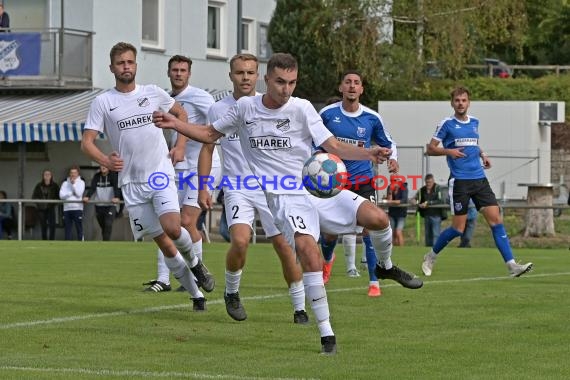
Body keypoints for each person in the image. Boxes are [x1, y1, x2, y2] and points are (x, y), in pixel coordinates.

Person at [153, 52, 423, 354]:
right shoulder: (245, 108)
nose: (286, 89)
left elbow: (331, 146)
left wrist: (370, 153)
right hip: (281, 196)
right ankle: (326, 334)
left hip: (314, 186)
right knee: (308, 252)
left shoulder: (302, 108)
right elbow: (208, 134)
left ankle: (385, 267)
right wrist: (175, 124)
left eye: (292, 82)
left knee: (378, 219)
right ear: (267, 80)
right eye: (280, 82)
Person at [80, 42, 214, 312]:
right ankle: (196, 294)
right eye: (121, 63)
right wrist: (105, 159)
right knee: (164, 243)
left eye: (130, 62)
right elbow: (87, 142)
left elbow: (181, 114)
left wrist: (179, 146)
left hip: (159, 173)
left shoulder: (152, 93)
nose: (126, 67)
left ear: (136, 66)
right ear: (112, 68)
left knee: (174, 228)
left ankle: (198, 265)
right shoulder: (103, 102)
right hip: (131, 183)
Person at [197, 53, 309, 324]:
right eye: (239, 73)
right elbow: (208, 147)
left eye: (250, 73)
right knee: (240, 240)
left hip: (272, 185)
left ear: (259, 76)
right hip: (238, 185)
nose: (245, 78)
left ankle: (299, 307)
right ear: (231, 76)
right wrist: (204, 187)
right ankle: (232, 292)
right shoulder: (217, 109)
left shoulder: (268, 105)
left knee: (285, 245)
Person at [421, 86, 533, 277]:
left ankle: (512, 265)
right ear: (452, 103)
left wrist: (483, 154)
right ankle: (431, 256)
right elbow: (430, 149)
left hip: (479, 179)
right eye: (457, 100)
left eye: (464, 100)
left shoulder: (474, 122)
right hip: (460, 182)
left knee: (497, 221)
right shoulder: (446, 124)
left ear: (469, 102)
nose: (460, 104)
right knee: (458, 229)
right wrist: (449, 151)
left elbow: (473, 143)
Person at [144, 54, 222, 294]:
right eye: (174, 70)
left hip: (204, 166)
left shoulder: (201, 97)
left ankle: (196, 275)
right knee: (167, 222)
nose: (178, 73)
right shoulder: (164, 100)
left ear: (189, 74)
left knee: (187, 221)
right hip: (176, 168)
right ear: (168, 73)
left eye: (183, 70)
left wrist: (184, 137)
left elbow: (215, 129)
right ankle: (163, 279)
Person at [318, 70, 399, 297]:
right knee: (330, 233)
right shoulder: (326, 114)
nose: (352, 86)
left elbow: (389, 143)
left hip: (363, 180)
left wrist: (393, 159)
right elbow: (313, 140)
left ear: (362, 89)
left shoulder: (372, 118)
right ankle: (327, 260)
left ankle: (374, 281)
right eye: (348, 82)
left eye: (356, 83)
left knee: (369, 229)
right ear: (341, 87)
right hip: (334, 181)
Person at [82, 165, 121, 241]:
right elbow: (92, 188)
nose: (103, 167)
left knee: (108, 224)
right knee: (103, 226)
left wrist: (117, 197)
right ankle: (105, 242)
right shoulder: (97, 176)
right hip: (99, 205)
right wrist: (87, 196)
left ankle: (106, 243)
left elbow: (117, 188)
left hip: (110, 205)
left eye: (105, 165)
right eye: (101, 165)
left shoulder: (113, 176)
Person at [416, 173, 445, 247]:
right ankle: (427, 249)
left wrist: (428, 203)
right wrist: (414, 201)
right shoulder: (422, 189)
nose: (428, 184)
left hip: (436, 215)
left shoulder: (438, 188)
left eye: (430, 182)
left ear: (433, 181)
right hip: (427, 215)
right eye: (427, 182)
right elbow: (416, 198)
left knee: (436, 234)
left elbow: (441, 200)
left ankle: (435, 250)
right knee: (427, 234)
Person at [31, 169, 60, 240]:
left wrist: (53, 203)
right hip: (41, 209)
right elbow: (34, 196)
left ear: (51, 176)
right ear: (43, 176)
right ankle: (44, 240)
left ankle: (52, 240)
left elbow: (58, 196)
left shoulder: (55, 185)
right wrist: (39, 204)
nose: (47, 176)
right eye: (45, 174)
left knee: (52, 225)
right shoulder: (39, 185)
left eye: (48, 174)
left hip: (51, 208)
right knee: (43, 226)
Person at [59, 165, 86, 241]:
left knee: (79, 227)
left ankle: (81, 244)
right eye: (71, 172)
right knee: (67, 229)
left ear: (78, 174)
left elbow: (78, 194)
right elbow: (61, 196)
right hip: (67, 209)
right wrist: (70, 193)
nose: (73, 174)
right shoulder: (65, 183)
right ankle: (67, 246)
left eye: (75, 173)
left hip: (77, 209)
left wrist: (73, 184)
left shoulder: (81, 182)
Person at [387, 178, 409, 246]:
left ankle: (402, 249)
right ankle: (394, 249)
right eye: (392, 181)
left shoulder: (404, 188)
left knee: (398, 232)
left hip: (401, 214)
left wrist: (392, 202)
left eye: (395, 181)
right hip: (392, 213)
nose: (393, 183)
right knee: (392, 233)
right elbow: (389, 200)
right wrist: (390, 192)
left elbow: (403, 200)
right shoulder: (389, 187)